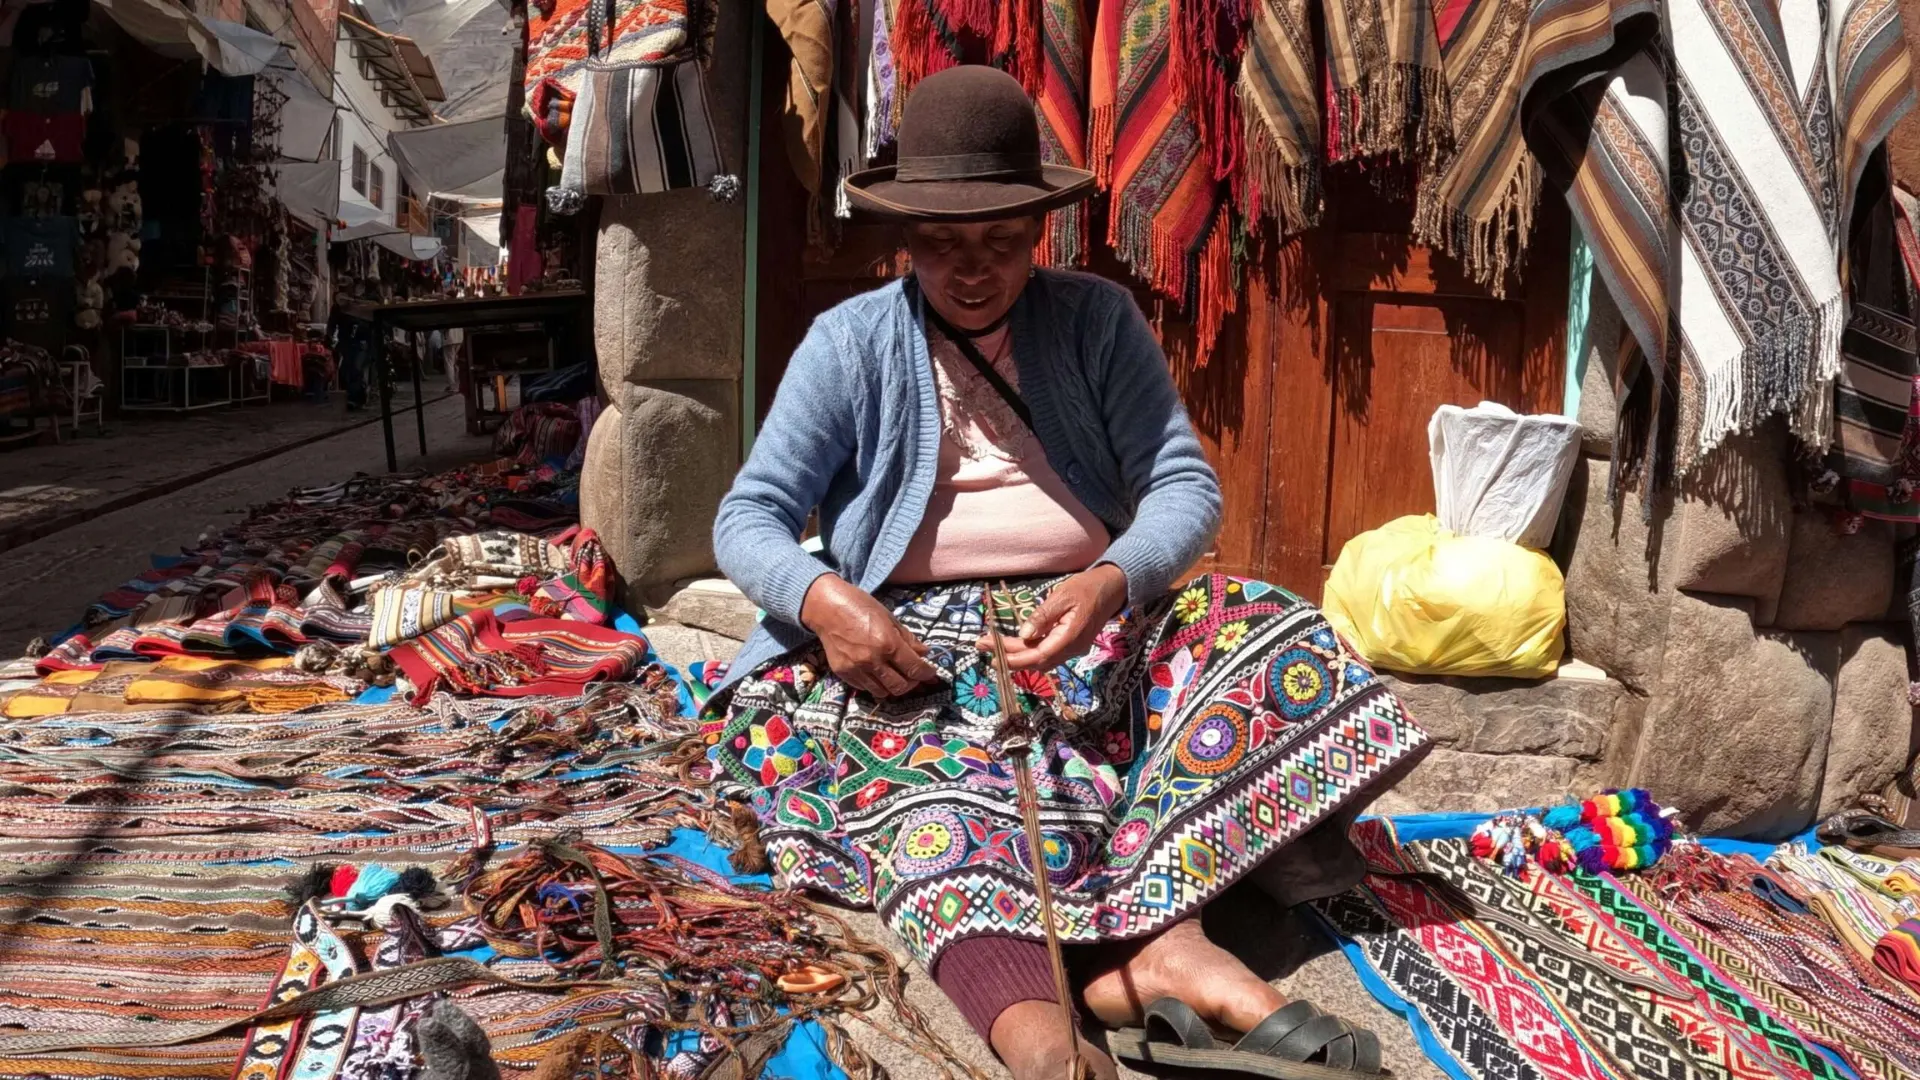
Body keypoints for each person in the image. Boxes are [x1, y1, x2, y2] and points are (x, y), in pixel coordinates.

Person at [708, 66, 1428, 1080]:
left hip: (1088, 618)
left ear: (1040, 228)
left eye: (1001, 242)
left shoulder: (1094, 319)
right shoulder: (851, 343)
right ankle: (1054, 1043)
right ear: (904, 237)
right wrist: (830, 604)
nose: (972, 271)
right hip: (912, 642)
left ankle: (1163, 951)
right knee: (949, 793)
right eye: (943, 245)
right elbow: (749, 518)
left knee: (1277, 639)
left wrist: (1111, 580)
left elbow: (1181, 487)